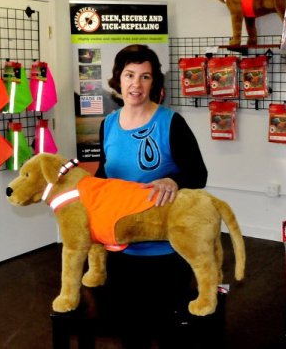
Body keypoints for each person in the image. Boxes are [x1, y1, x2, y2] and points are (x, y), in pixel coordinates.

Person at [94, 44, 208, 348]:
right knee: (130, 330)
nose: (136, 84)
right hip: (120, 251)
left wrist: (173, 180)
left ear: (153, 82)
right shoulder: (107, 125)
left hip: (166, 252)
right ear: (118, 80)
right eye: (129, 75)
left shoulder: (171, 123)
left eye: (145, 77)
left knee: (167, 331)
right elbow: (103, 179)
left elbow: (199, 174)